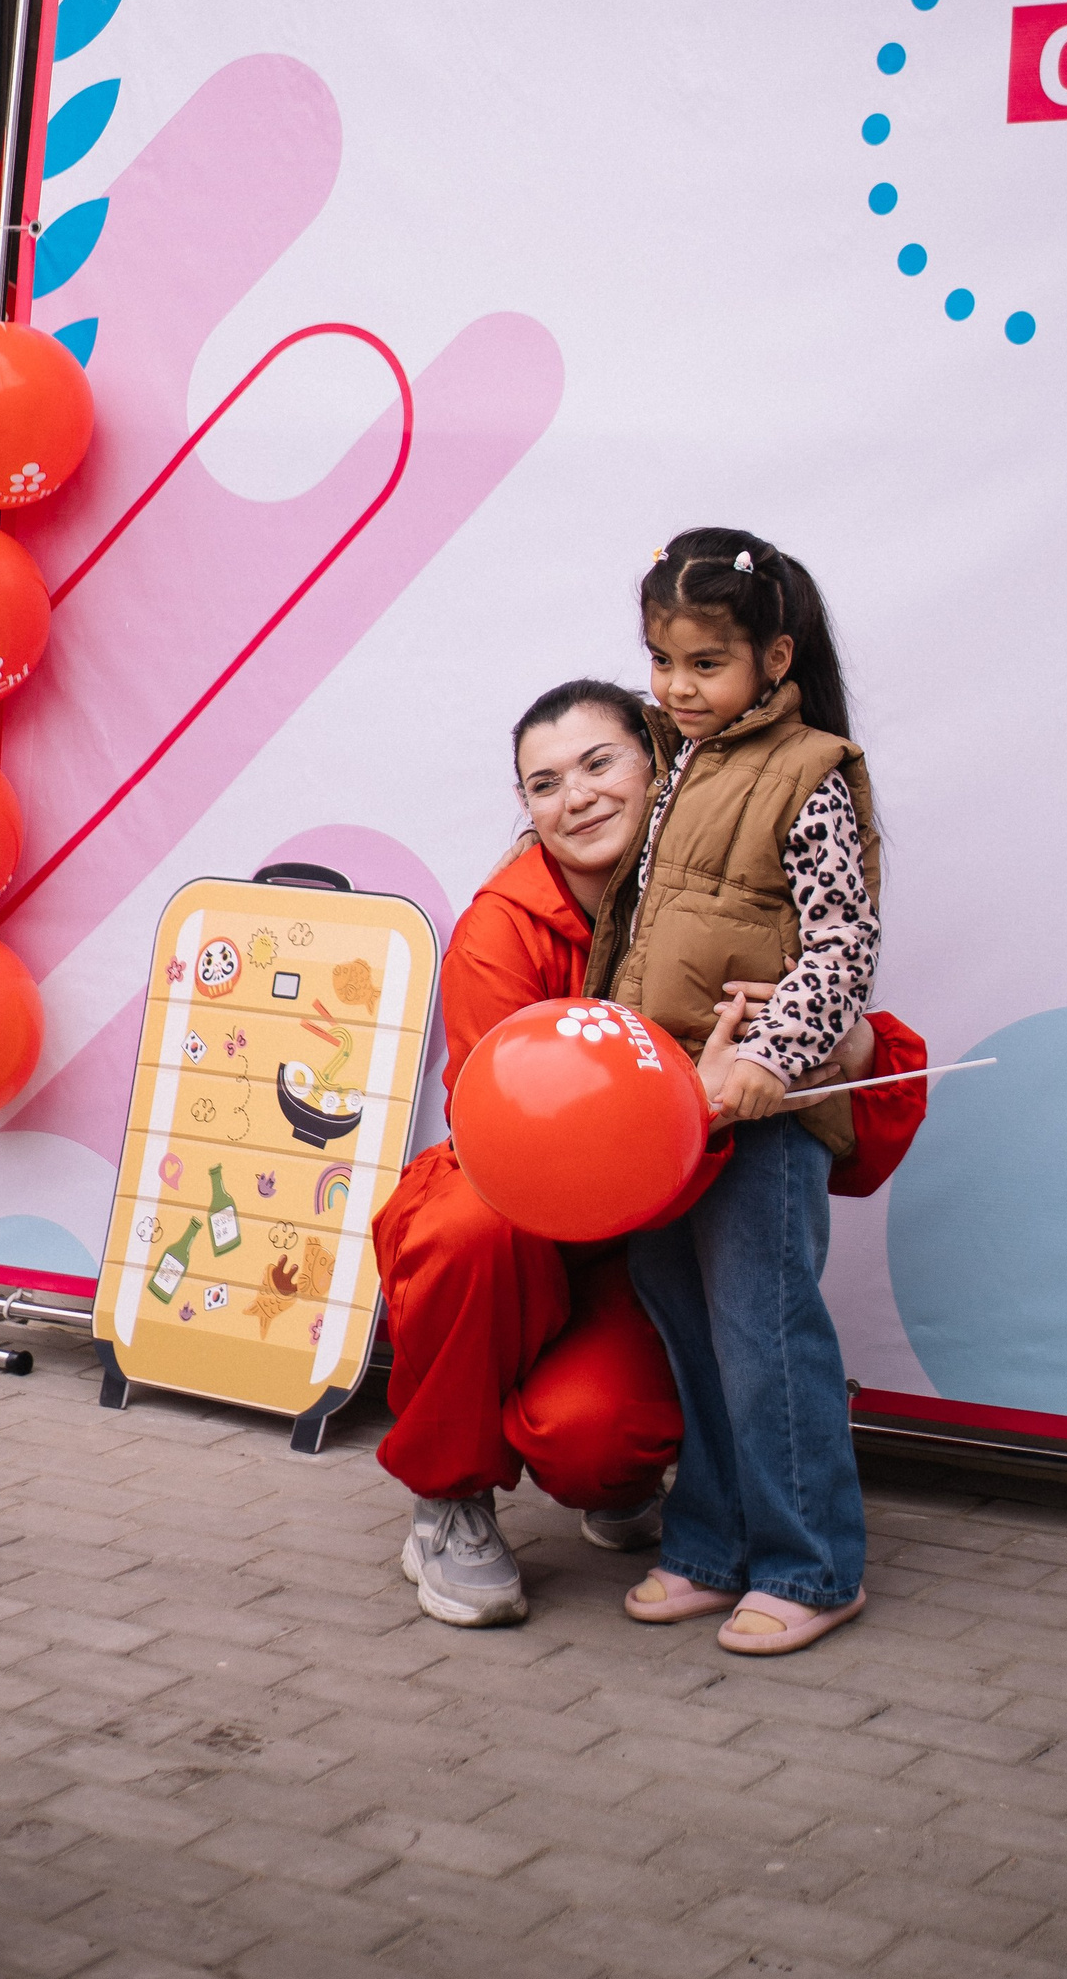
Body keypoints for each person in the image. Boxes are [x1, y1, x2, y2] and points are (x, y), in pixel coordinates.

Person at [375, 672, 925, 1630]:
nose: (577, 797)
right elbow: (514, 1149)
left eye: (600, 764)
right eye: (545, 784)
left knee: (600, 1437)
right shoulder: (501, 930)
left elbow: (833, 1040)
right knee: (466, 1230)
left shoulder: (722, 885)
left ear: (660, 761)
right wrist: (688, 1107)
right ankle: (448, 1500)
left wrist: (843, 1047)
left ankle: (632, 1483)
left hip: (653, 1232)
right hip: (526, 1222)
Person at [592, 528, 889, 1656]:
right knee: (688, 1330)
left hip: (761, 1112)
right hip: (663, 1106)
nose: (678, 686)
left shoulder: (813, 771)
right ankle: (711, 1546)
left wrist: (773, 1061)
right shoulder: (673, 759)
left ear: (775, 659)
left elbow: (842, 947)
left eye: (706, 663)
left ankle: (812, 1565)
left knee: (765, 1339)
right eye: (662, 660)